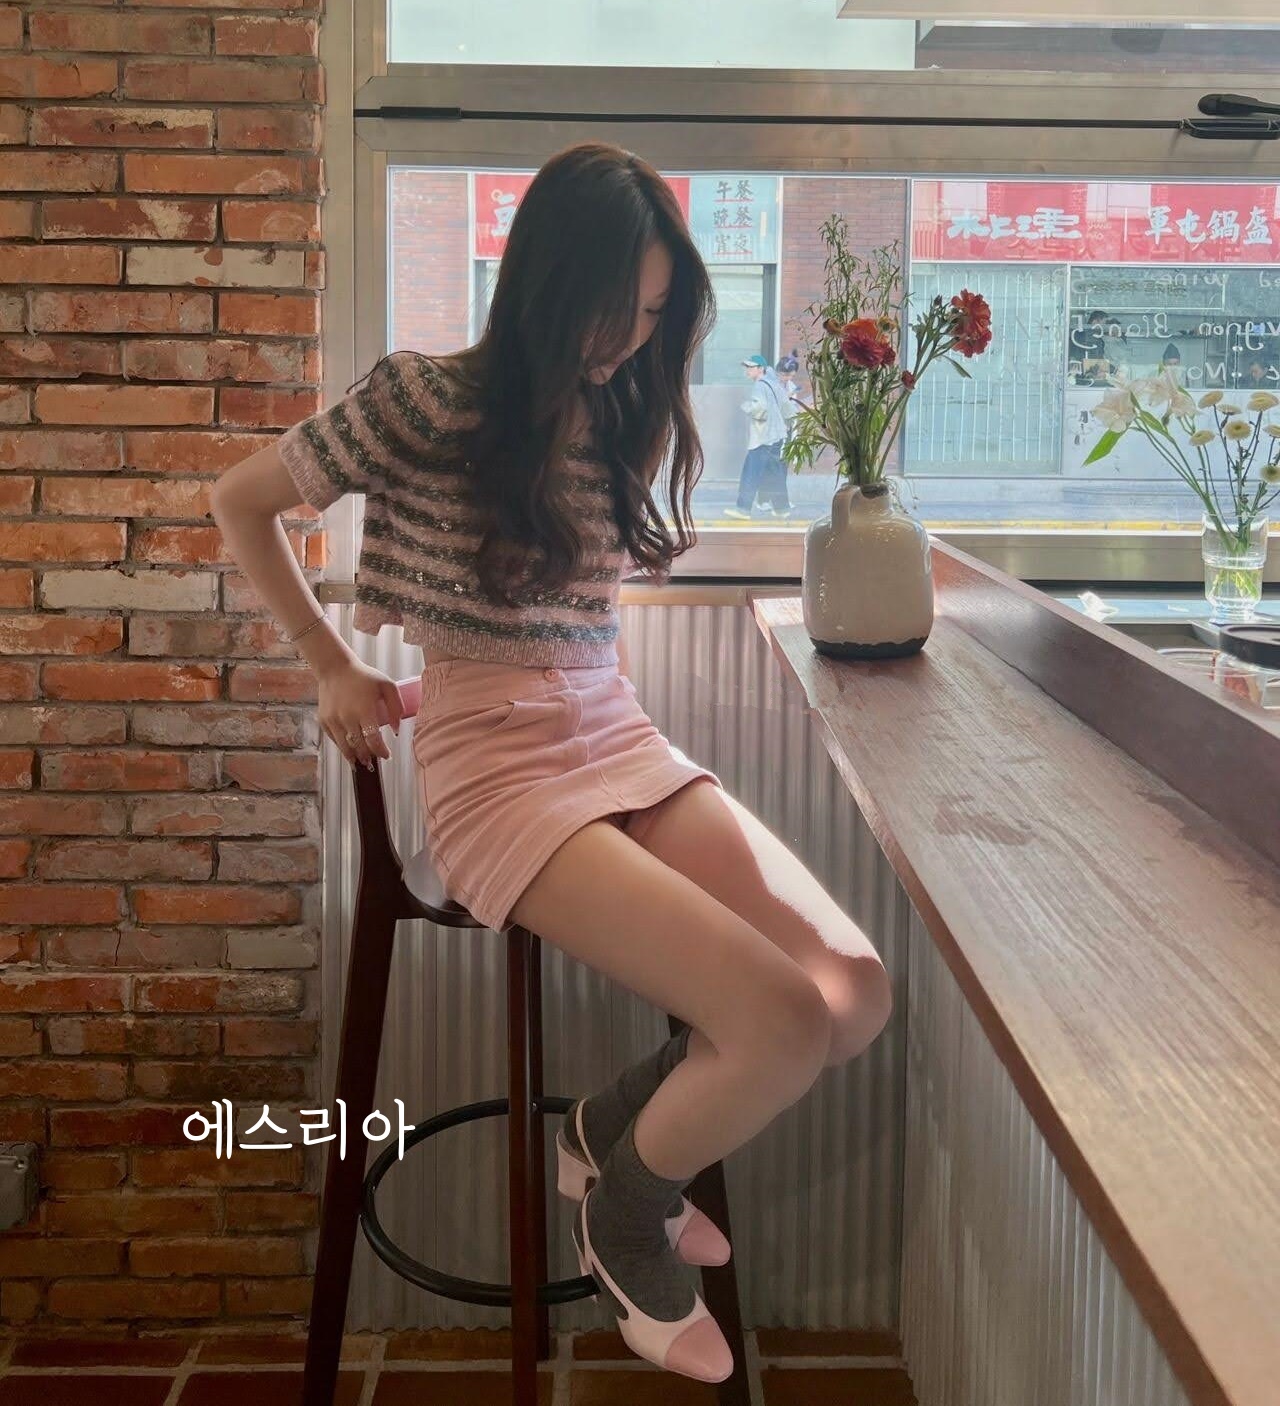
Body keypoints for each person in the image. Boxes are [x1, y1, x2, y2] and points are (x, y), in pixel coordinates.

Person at [210, 141, 891, 1384]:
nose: (629, 342)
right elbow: (239, 499)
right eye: (611, 311)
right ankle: (625, 1212)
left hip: (610, 730)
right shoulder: (424, 398)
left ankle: (606, 1137)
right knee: (776, 1019)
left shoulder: (616, 408)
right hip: (494, 766)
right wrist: (328, 662)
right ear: (544, 284)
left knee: (847, 992)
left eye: (652, 315)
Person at [727, 354, 791, 519]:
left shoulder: (759, 386)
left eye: (751, 367)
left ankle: (743, 509)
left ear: (760, 368)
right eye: (747, 367)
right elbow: (786, 405)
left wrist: (746, 406)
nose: (747, 370)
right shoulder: (773, 384)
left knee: (751, 472)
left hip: (763, 437)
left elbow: (761, 410)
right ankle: (782, 509)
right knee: (775, 474)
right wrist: (787, 424)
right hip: (777, 436)